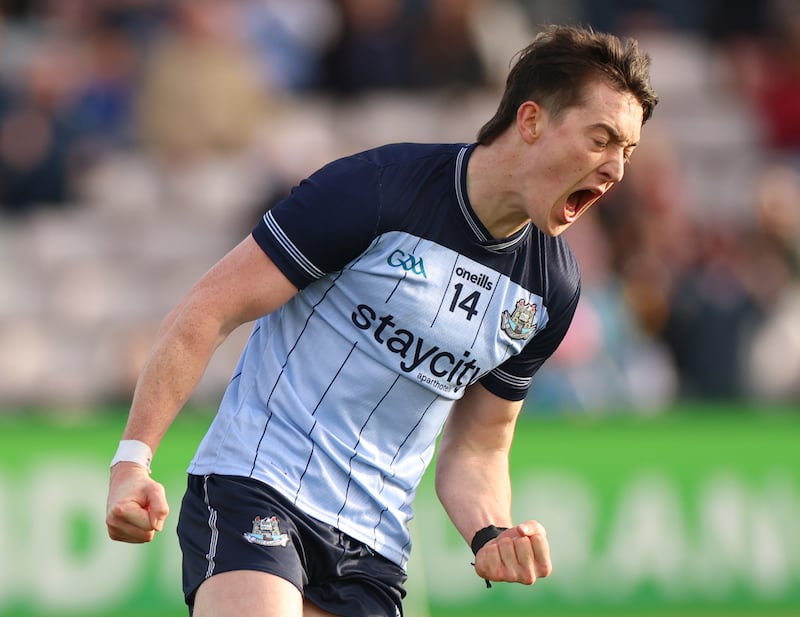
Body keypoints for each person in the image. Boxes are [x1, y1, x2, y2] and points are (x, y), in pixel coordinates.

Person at [106, 24, 657, 617]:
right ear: (530, 122)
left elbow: (478, 446)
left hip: (372, 546)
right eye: (602, 139)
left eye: (627, 151)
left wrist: (491, 533)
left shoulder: (552, 288)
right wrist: (132, 462)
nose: (617, 171)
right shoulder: (377, 189)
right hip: (257, 483)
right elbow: (206, 311)